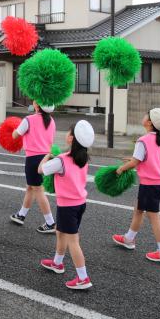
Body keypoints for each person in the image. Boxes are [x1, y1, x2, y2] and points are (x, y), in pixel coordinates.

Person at [39, 120, 95, 290]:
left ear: (72, 138)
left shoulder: (62, 160)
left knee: (73, 240)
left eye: (68, 132)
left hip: (67, 206)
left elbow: (41, 170)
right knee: (60, 232)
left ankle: (83, 278)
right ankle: (57, 263)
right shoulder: (83, 158)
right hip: (79, 204)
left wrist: (46, 156)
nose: (66, 134)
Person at [112, 108, 160, 264]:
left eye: (146, 115)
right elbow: (148, 159)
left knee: (154, 217)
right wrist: (132, 160)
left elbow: (136, 162)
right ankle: (129, 239)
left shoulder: (143, 140)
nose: (144, 116)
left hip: (150, 184)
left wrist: (121, 169)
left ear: (149, 122)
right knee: (138, 209)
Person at [10, 101, 57, 233]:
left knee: (38, 190)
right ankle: (21, 215)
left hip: (33, 159)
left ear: (37, 105)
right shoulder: (52, 121)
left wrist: (13, 128)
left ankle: (50, 223)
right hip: (46, 158)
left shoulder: (29, 119)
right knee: (30, 187)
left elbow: (15, 135)